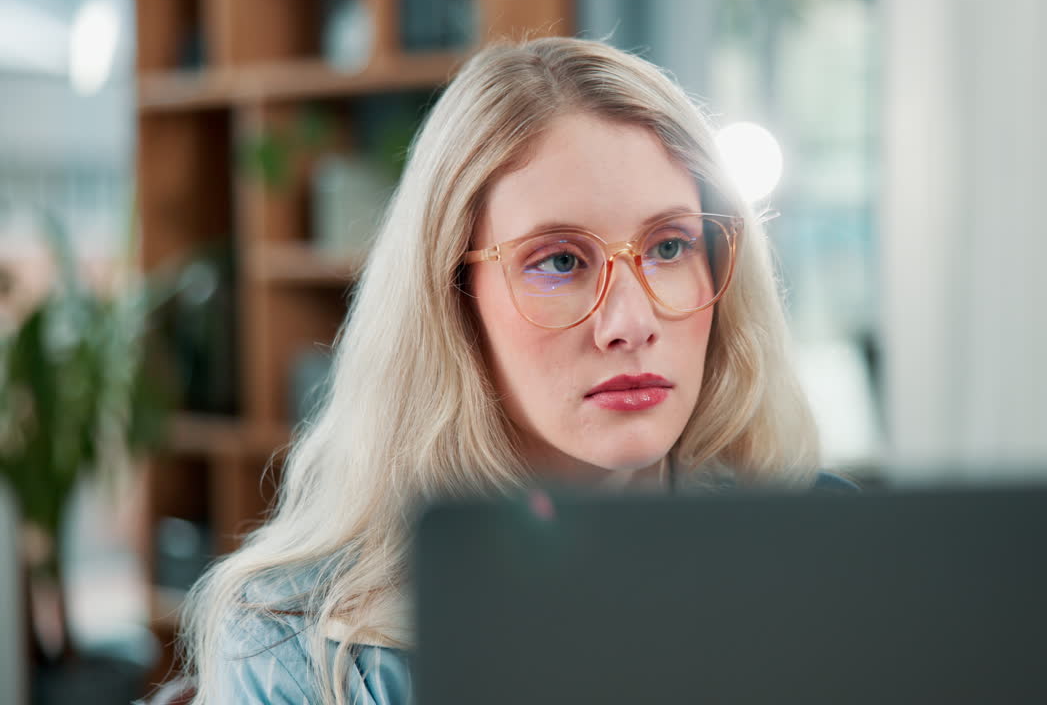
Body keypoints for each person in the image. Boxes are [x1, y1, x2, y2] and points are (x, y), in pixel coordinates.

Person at [175, 37, 851, 705]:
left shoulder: (834, 551)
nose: (631, 322)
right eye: (559, 261)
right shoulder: (290, 644)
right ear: (451, 298)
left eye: (669, 246)